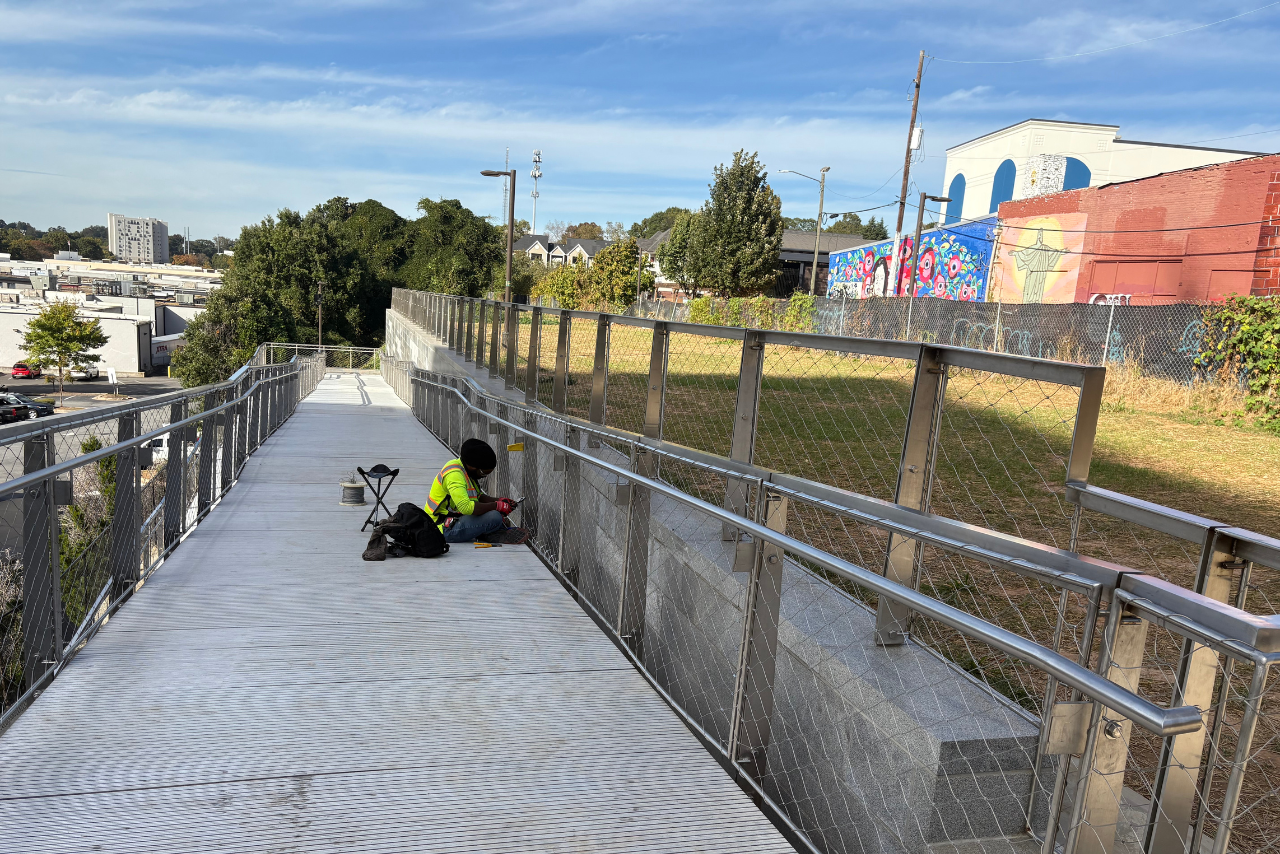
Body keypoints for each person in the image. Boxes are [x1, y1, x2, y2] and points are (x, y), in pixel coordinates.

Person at [426, 438, 519, 543]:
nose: (484, 477)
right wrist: (497, 506)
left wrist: (501, 501)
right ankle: (489, 533)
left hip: (454, 519)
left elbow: (478, 497)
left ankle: (490, 531)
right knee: (494, 517)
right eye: (484, 473)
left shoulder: (466, 470)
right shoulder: (454, 475)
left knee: (496, 517)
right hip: (441, 528)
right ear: (473, 467)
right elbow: (465, 507)